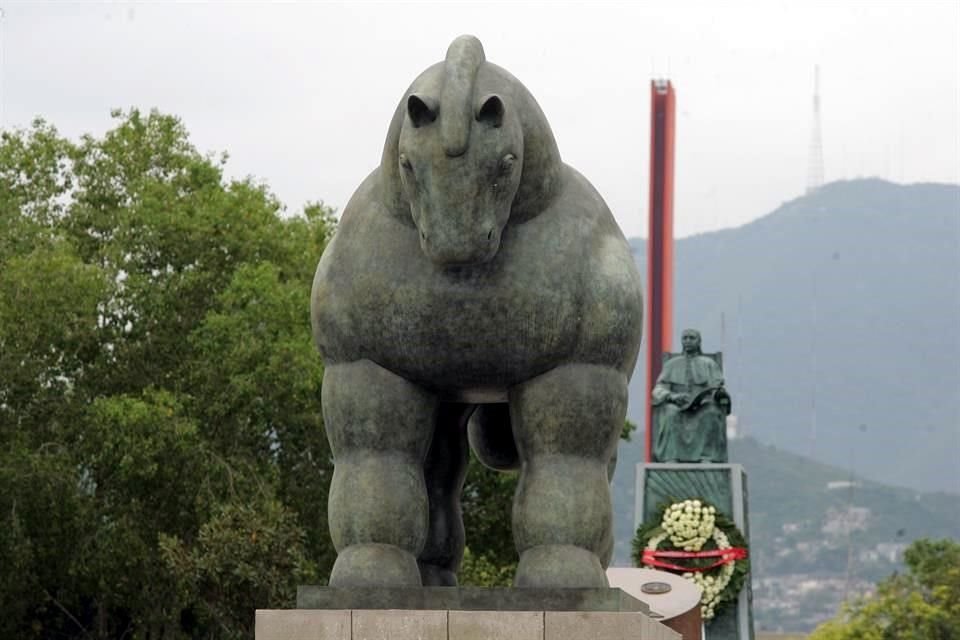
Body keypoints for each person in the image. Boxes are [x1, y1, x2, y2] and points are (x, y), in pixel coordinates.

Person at [651, 329, 731, 463]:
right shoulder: (672, 365)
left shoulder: (709, 364)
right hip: (677, 405)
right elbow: (659, 388)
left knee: (711, 412)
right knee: (670, 413)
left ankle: (707, 457)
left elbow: (717, 387)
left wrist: (719, 393)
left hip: (703, 406)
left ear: (699, 342)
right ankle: (671, 457)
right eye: (685, 338)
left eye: (691, 338)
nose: (687, 341)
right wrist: (672, 396)